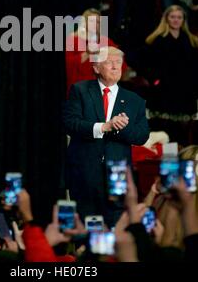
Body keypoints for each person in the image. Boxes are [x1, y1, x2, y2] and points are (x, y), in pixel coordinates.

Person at [63, 46, 149, 227]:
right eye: (110, 62)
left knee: (114, 225)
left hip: (117, 175)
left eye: (118, 62)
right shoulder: (80, 90)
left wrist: (119, 128)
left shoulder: (135, 100)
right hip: (84, 171)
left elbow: (142, 136)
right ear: (96, 67)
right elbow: (70, 124)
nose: (115, 67)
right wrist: (104, 127)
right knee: (86, 225)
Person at [144, 5, 198, 145]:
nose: (176, 20)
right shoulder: (156, 40)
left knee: (183, 132)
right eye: (172, 17)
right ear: (166, 19)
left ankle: (184, 158)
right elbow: (146, 64)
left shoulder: (191, 41)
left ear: (183, 20)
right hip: (163, 92)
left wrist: (196, 87)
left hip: (186, 92)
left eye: (179, 17)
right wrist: (155, 80)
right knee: (163, 132)